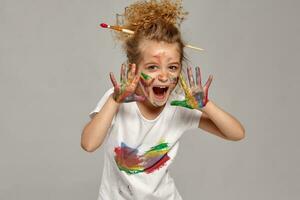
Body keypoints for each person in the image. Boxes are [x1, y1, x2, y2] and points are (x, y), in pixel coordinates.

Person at [81, 0, 245, 199]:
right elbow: (89, 144)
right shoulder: (118, 100)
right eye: (152, 67)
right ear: (134, 68)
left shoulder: (179, 106)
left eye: (172, 67)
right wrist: (114, 102)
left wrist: (206, 105)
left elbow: (236, 133)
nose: (164, 76)